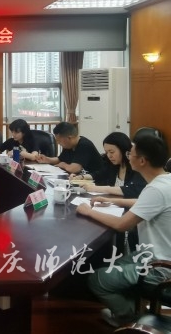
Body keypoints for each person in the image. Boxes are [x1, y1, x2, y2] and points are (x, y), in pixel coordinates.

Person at [76, 135, 171, 328]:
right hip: (154, 256)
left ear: (142, 161)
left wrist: (88, 211)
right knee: (114, 264)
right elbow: (146, 203)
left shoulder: (155, 189)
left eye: (130, 153)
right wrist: (113, 201)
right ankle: (135, 309)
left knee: (97, 279)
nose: (128, 156)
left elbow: (122, 225)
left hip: (160, 268)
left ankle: (129, 317)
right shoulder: (165, 181)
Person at [69, 132, 146, 198]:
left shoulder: (135, 166)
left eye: (112, 152)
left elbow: (131, 190)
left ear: (123, 150)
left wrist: (95, 188)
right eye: (106, 152)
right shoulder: (113, 165)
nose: (109, 156)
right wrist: (81, 177)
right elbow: (100, 174)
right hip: (113, 203)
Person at [35, 122, 102, 174]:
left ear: (69, 138)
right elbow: (60, 159)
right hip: (80, 178)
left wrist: (64, 165)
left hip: (96, 180)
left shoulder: (84, 145)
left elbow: (74, 169)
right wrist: (47, 159)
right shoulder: (69, 146)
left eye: (59, 140)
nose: (58, 143)